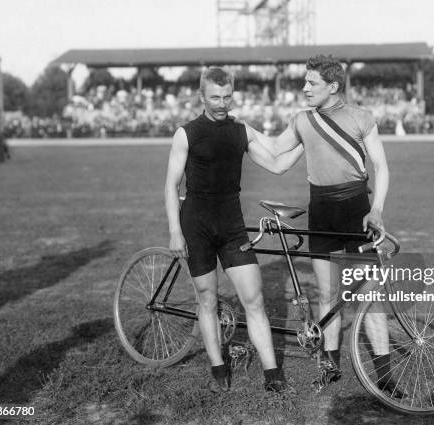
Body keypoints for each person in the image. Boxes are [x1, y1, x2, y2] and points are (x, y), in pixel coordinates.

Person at [250, 55, 394, 390]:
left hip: (357, 211)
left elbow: (381, 167)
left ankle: (385, 377)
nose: (304, 88)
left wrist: (377, 210)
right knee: (327, 294)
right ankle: (329, 367)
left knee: (369, 295)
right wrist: (240, 128)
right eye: (305, 81)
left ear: (333, 86)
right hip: (321, 212)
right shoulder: (302, 120)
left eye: (312, 83)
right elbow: (272, 149)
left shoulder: (361, 117)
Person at [164, 67, 303, 393]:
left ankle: (272, 374)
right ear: (202, 96)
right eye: (215, 97)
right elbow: (171, 186)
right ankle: (218, 366)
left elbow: (278, 164)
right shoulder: (186, 133)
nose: (222, 103)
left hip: (231, 226)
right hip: (195, 225)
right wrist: (174, 231)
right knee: (208, 298)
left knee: (253, 299)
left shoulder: (241, 130)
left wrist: (307, 141)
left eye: (227, 96)